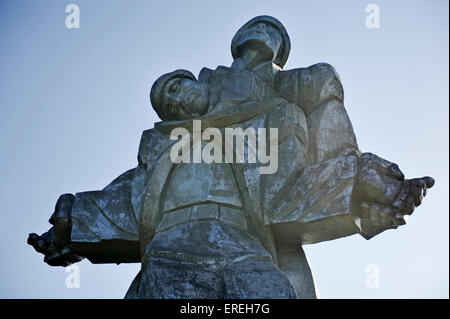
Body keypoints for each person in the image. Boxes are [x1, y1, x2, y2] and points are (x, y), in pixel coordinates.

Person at [28, 16, 434, 299]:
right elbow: (125, 198)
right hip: (172, 252)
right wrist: (70, 221)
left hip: (248, 250)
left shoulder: (270, 122)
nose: (177, 99)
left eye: (177, 86)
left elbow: (292, 189)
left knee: (273, 293)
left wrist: (365, 185)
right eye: (168, 101)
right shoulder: (166, 149)